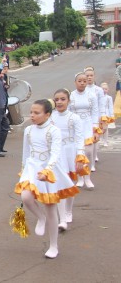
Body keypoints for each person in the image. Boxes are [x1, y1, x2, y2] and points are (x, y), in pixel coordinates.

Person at [14, 99, 78, 259]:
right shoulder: (28, 130)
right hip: (32, 168)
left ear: (47, 114)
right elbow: (26, 152)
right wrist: (23, 169)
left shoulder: (53, 130)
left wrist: (47, 170)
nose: (32, 116)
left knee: (51, 208)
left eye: (37, 113)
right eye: (31, 112)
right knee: (26, 196)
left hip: (48, 170)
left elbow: (56, 153)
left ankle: (53, 246)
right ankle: (40, 218)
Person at [51, 88, 88, 230]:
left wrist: (80, 155)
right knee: (59, 184)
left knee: (70, 183)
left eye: (62, 99)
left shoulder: (74, 118)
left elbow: (80, 138)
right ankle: (61, 218)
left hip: (70, 152)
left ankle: (68, 211)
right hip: (56, 153)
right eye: (57, 99)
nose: (59, 102)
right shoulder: (51, 117)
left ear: (68, 101)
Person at [68, 72, 98, 189]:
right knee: (77, 153)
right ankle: (80, 178)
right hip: (75, 126)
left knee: (88, 152)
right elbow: (68, 111)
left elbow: (95, 112)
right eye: (79, 81)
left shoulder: (92, 95)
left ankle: (88, 177)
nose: (82, 83)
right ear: (75, 82)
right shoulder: (71, 96)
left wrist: (95, 128)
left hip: (87, 124)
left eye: (84, 81)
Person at [84, 66, 106, 170]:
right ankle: (86, 160)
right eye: (87, 76)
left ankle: (92, 161)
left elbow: (102, 105)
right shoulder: (82, 89)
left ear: (94, 76)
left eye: (91, 75)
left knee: (94, 140)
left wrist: (103, 119)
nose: (89, 77)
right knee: (86, 141)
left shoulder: (99, 90)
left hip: (95, 118)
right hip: (84, 118)